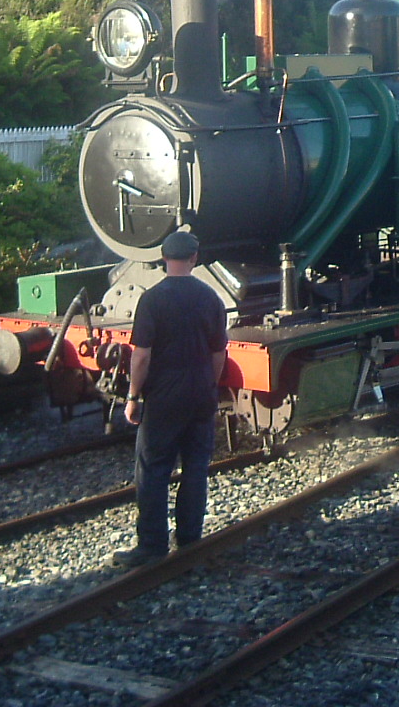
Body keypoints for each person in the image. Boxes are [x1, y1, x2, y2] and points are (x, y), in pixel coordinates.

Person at [113, 230, 228, 567]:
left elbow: (141, 356)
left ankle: (152, 545)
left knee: (153, 469)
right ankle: (190, 539)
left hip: (163, 396)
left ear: (163, 258)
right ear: (194, 258)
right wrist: (210, 386)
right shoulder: (211, 298)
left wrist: (133, 396)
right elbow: (219, 352)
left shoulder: (152, 299)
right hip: (201, 392)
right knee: (196, 467)